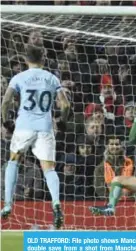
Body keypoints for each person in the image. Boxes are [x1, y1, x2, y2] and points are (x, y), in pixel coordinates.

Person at [1, 44, 70, 229]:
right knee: (49, 169)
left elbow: (6, 100)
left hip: (24, 126)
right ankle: (56, 204)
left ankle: (7, 204)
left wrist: (5, 120)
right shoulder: (52, 78)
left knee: (13, 161)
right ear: (44, 59)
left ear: (25, 60)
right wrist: (62, 121)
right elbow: (65, 105)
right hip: (45, 128)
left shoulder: (19, 77)